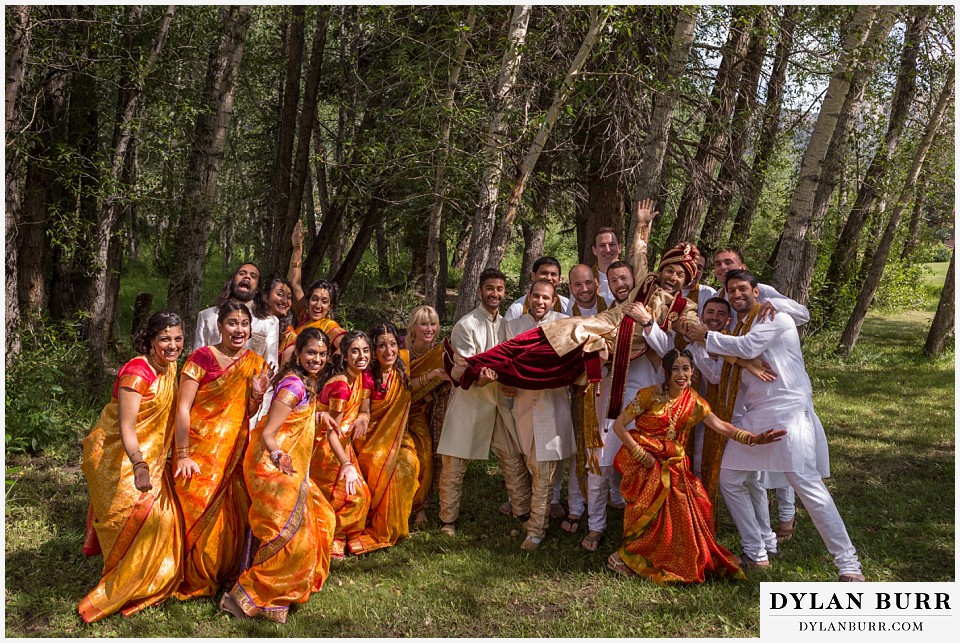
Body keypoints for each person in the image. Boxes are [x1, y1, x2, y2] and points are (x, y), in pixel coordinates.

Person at [445, 201, 699, 423]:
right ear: (662, 269)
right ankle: (470, 365)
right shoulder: (645, 281)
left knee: (540, 373)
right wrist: (643, 224)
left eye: (681, 275)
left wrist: (703, 333)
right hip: (587, 330)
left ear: (686, 280)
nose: (673, 278)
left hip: (601, 353)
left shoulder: (683, 308)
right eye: (670, 271)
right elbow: (640, 253)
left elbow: (691, 331)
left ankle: (471, 370)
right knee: (531, 342)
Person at [685, 270, 865, 581]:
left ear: (757, 292)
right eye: (731, 290)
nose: (737, 295)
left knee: (807, 486)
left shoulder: (774, 316)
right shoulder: (739, 326)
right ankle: (756, 552)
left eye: (743, 289)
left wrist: (702, 335)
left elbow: (747, 348)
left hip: (787, 411)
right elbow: (730, 362)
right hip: (756, 413)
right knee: (730, 477)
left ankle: (849, 565)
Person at [604, 349, 784, 583]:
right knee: (645, 513)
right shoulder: (649, 395)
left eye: (686, 368)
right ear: (667, 372)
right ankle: (624, 558)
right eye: (676, 369)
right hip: (644, 464)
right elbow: (620, 426)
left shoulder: (694, 401)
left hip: (673, 465)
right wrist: (640, 454)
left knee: (687, 507)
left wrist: (753, 438)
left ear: (692, 372)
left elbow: (722, 426)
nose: (681, 374)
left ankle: (666, 558)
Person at [221, 328, 339, 622]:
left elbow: (297, 419)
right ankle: (246, 596)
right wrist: (279, 456)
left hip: (289, 465)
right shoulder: (292, 387)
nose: (317, 359)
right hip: (270, 464)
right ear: (298, 353)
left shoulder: (307, 384)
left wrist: (319, 415)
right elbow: (270, 434)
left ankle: (275, 594)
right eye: (311, 352)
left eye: (322, 354)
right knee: (290, 534)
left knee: (322, 519)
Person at [79, 312, 185, 623]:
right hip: (119, 460)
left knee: (161, 522)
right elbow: (126, 427)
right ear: (151, 340)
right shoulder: (137, 373)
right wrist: (139, 465)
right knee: (124, 520)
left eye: (178, 338)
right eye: (165, 338)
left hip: (149, 460)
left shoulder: (169, 367)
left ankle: (147, 583)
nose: (172, 345)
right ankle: (121, 585)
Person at [172, 302, 273, 599]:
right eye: (231, 323)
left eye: (244, 324)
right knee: (197, 506)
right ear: (219, 327)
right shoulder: (201, 357)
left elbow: (248, 411)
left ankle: (224, 568)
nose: (238, 330)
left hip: (233, 448)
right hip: (199, 447)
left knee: (232, 510)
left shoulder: (254, 361)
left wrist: (257, 394)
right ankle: (193, 573)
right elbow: (182, 407)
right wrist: (183, 454)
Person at [581, 257, 675, 553]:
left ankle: (644, 527)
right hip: (609, 404)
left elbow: (668, 351)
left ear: (634, 280)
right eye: (614, 280)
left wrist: (647, 322)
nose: (620, 284)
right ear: (609, 285)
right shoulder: (606, 318)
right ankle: (596, 526)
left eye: (624, 278)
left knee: (644, 468)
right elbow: (597, 365)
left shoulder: (654, 311)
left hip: (643, 406)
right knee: (599, 468)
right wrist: (601, 361)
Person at [435, 268, 532, 538]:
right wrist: (482, 377)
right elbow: (464, 369)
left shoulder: (507, 326)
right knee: (455, 463)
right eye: (490, 288)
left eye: (499, 289)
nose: (495, 294)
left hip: (499, 402)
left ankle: (524, 514)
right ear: (479, 290)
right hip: (470, 402)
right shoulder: (466, 325)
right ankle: (447, 520)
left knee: (512, 459)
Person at [504, 280, 577, 551]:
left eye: (546, 298)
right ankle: (534, 517)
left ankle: (536, 531)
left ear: (554, 300)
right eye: (535, 296)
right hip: (522, 407)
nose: (540, 302)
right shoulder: (513, 326)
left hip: (552, 407)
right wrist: (505, 381)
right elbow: (504, 362)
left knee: (546, 472)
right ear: (528, 297)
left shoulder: (565, 325)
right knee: (532, 468)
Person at [352, 322, 420, 553]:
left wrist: (434, 374)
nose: (388, 351)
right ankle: (378, 525)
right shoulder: (367, 376)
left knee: (406, 466)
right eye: (381, 345)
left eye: (392, 344)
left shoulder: (403, 367)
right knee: (380, 461)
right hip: (371, 438)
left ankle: (394, 526)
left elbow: (412, 389)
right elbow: (363, 409)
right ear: (373, 349)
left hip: (399, 438)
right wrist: (362, 416)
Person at [311, 330, 373, 557]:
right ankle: (330, 538)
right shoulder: (342, 387)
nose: (361, 356)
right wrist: (346, 464)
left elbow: (365, 409)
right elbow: (330, 433)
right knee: (351, 496)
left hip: (343, 445)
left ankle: (339, 536)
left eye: (366, 350)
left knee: (359, 495)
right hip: (325, 450)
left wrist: (363, 418)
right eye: (355, 351)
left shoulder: (363, 377)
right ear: (345, 356)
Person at [560, 264, 610, 537]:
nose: (584, 289)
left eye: (588, 283)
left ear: (597, 284)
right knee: (580, 450)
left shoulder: (611, 309)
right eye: (577, 285)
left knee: (603, 454)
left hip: (611, 390)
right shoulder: (565, 315)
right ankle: (576, 506)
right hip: (579, 392)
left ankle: (602, 510)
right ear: (570, 288)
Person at [405, 305, 451, 527]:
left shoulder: (439, 352)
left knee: (431, 455)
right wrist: (429, 377)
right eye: (424, 324)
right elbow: (401, 387)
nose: (429, 328)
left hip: (430, 410)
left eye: (433, 324)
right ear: (413, 327)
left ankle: (425, 506)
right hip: (400, 411)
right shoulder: (401, 352)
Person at [194, 262, 280, 374]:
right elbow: (196, 362)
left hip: (251, 389)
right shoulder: (207, 316)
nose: (247, 277)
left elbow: (271, 367)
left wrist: (260, 390)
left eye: (253, 276)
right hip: (211, 387)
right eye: (242, 273)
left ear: (258, 288)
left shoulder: (269, 322)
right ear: (232, 281)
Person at [281, 279, 346, 363]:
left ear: (330, 306)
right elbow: (295, 284)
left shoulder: (329, 325)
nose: (318, 305)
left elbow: (347, 345)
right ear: (308, 301)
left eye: (324, 301)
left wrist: (326, 366)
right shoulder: (304, 318)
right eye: (314, 299)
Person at [504, 256, 569, 321]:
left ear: (559, 278)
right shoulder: (516, 309)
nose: (549, 278)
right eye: (544, 273)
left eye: (553, 274)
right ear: (533, 276)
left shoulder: (568, 307)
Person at [253, 277, 296, 364]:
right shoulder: (251, 318)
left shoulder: (288, 334)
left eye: (289, 297)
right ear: (266, 295)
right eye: (280, 294)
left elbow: (284, 368)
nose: (285, 301)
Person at [591, 226, 622, 302]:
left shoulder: (632, 276)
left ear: (619, 248)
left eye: (612, 244)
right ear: (594, 250)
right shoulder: (586, 280)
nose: (608, 250)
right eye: (602, 245)